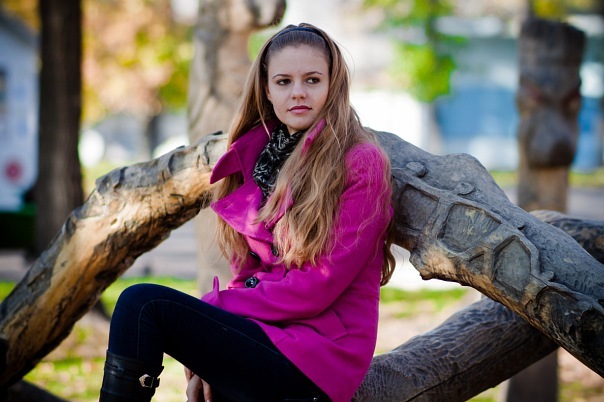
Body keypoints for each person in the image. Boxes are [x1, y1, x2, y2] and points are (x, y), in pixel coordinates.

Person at [99, 22, 395, 402]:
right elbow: (248, 273)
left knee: (143, 304)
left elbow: (318, 286)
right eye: (284, 81)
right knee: (145, 315)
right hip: (270, 336)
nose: (298, 92)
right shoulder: (259, 159)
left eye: (312, 80)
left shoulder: (359, 162)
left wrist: (217, 309)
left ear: (332, 85)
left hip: (320, 355)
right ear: (267, 89)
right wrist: (209, 351)